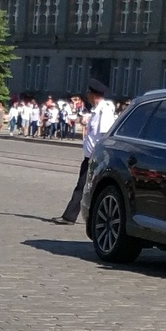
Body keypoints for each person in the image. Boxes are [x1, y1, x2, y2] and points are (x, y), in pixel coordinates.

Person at [57, 75, 117, 223]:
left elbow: (104, 135)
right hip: (90, 156)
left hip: (95, 158)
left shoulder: (105, 111)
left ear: (93, 94)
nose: (87, 97)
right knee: (83, 187)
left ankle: (72, 217)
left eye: (88, 94)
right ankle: (70, 216)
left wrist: (99, 157)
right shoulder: (97, 110)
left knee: (85, 187)